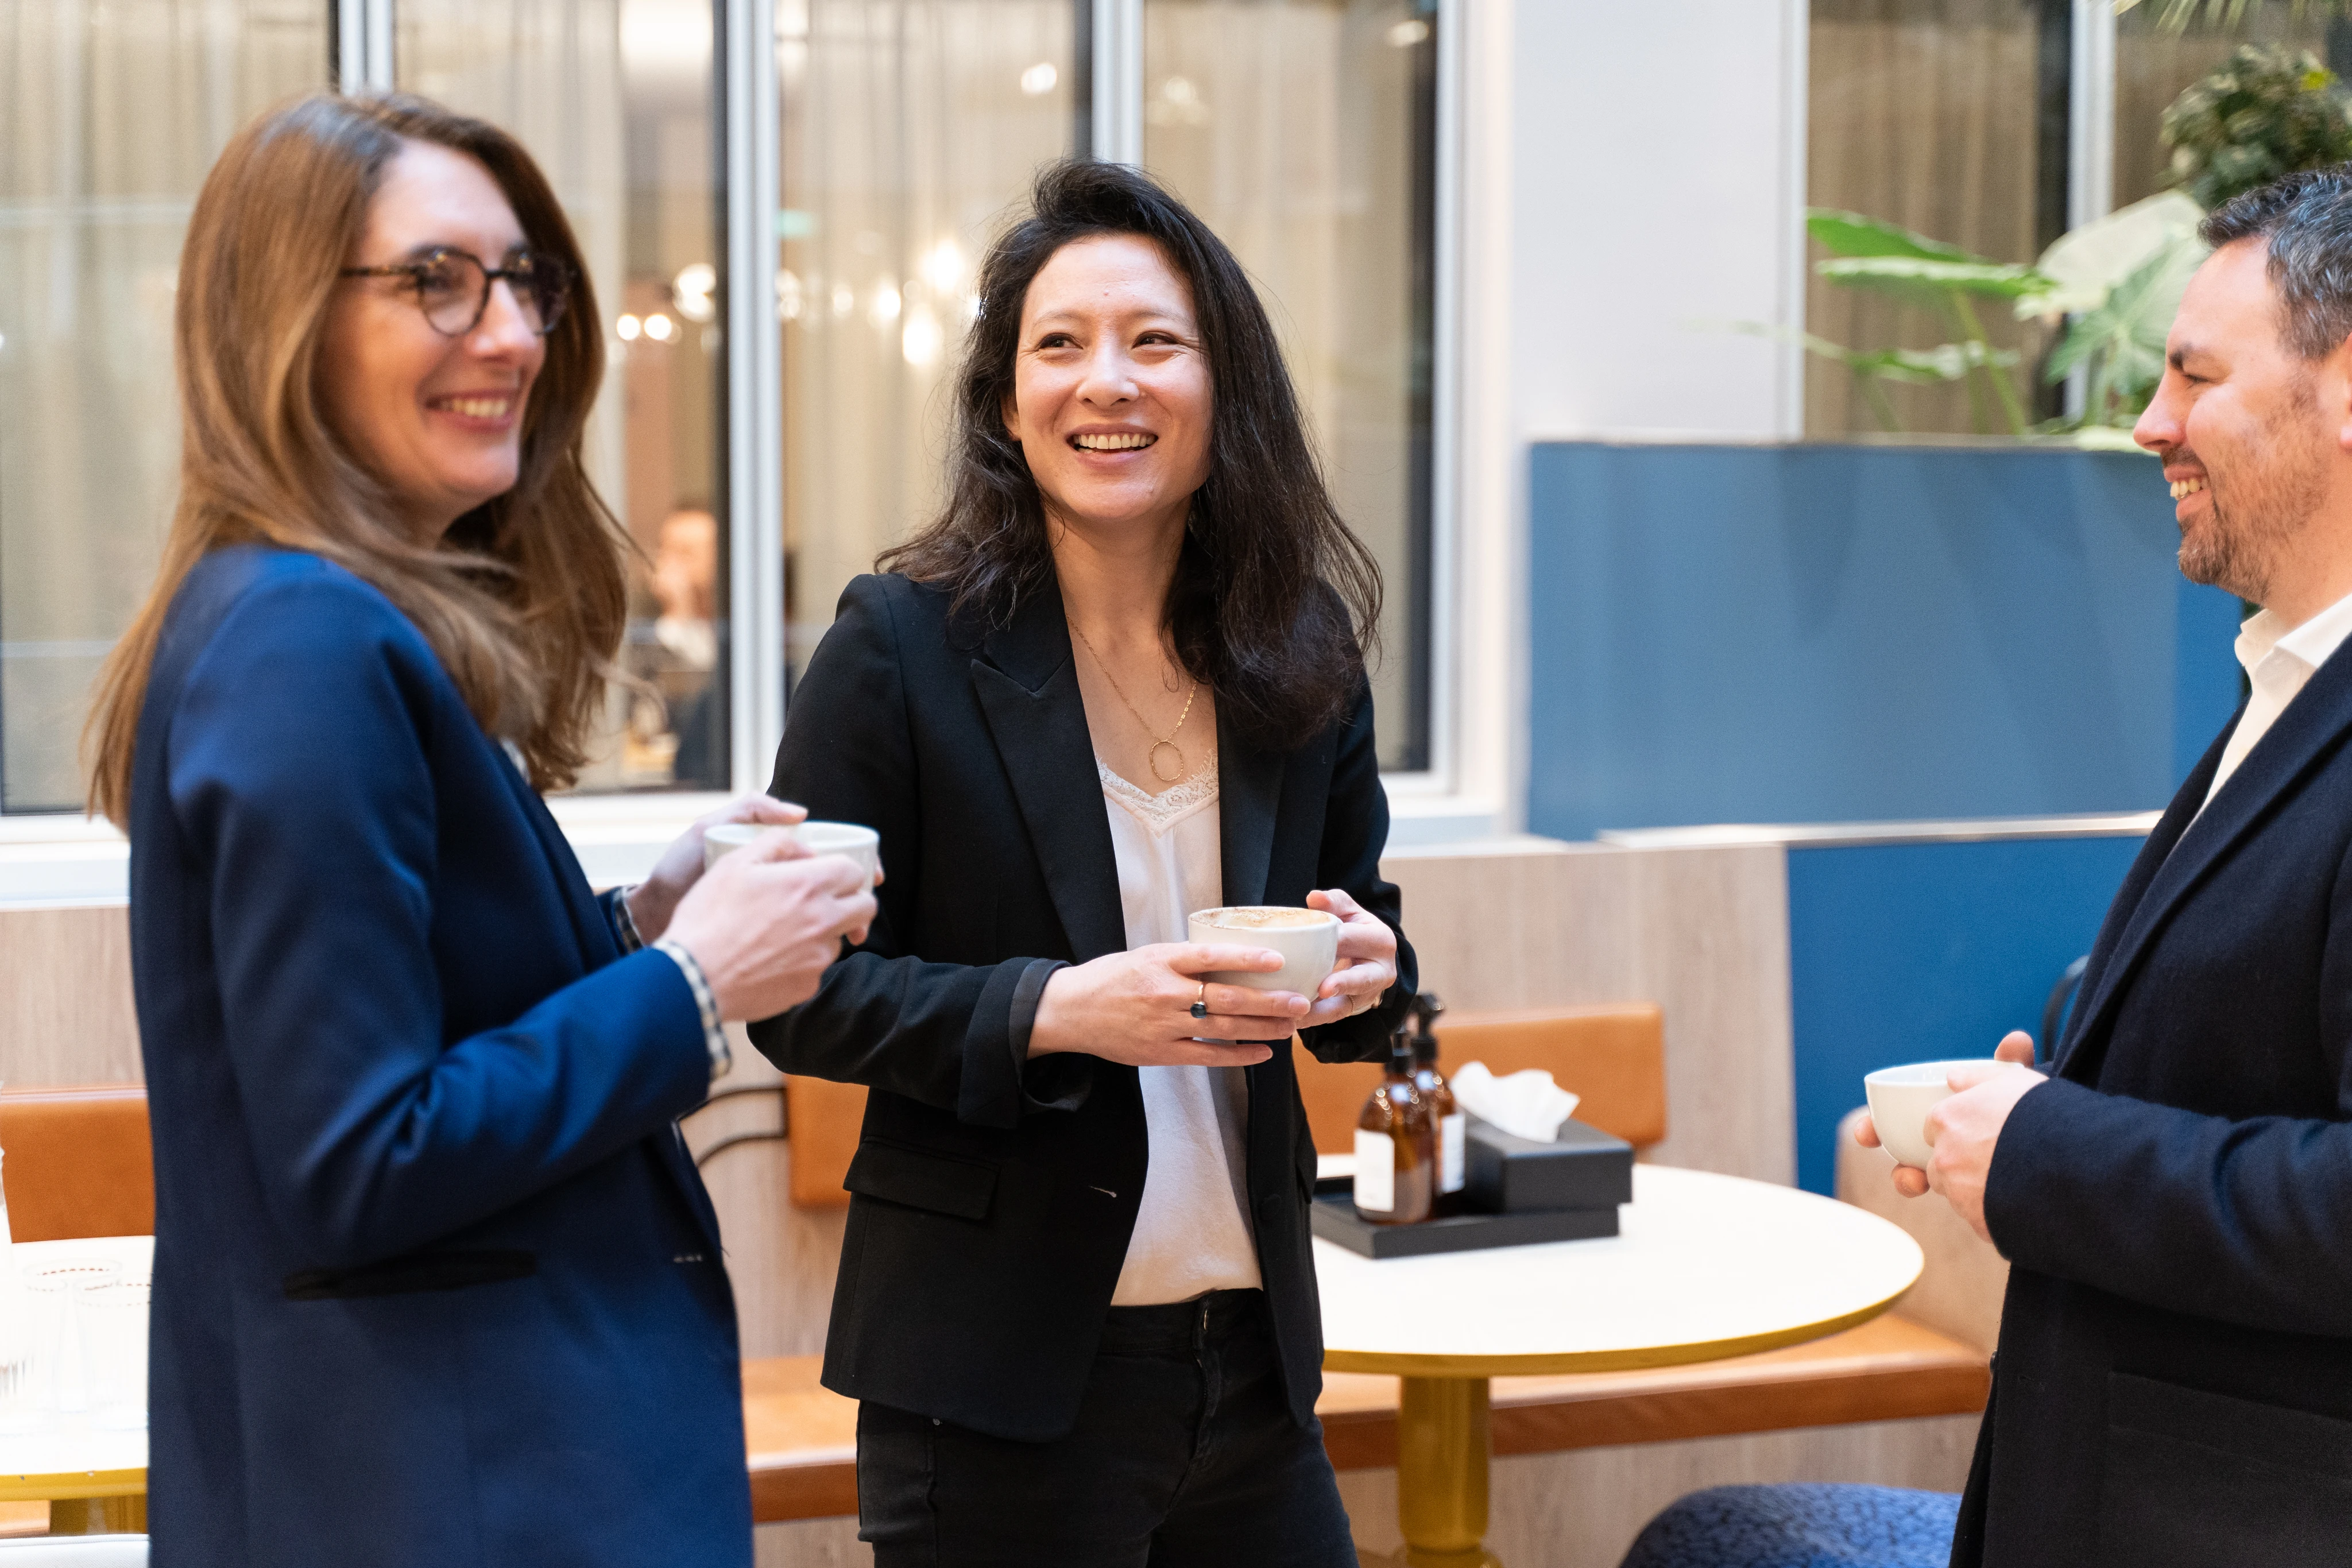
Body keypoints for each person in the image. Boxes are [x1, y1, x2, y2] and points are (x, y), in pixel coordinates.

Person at [83, 94, 876, 1567]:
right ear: (284, 322)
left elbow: (424, 1014)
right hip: (453, 1489)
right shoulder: (305, 642)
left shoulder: (308, 620)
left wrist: (645, 923)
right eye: (435, 282)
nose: (510, 336)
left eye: (523, 283)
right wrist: (695, 986)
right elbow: (362, 1159)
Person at [750, 158, 1415, 1567]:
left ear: (1222, 387)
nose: (1104, 382)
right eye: (1059, 345)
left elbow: (1363, 947)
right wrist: (1060, 1010)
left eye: (1152, 342)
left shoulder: (1296, 647)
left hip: (1253, 1361)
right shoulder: (898, 645)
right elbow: (794, 994)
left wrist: (1370, 971)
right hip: (994, 1382)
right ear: (1007, 401)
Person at [1857, 168, 2352, 1565]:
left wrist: (2046, 1147)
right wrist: (2059, 1096)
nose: (2150, 423)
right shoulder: (2286, 682)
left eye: (2191, 376)